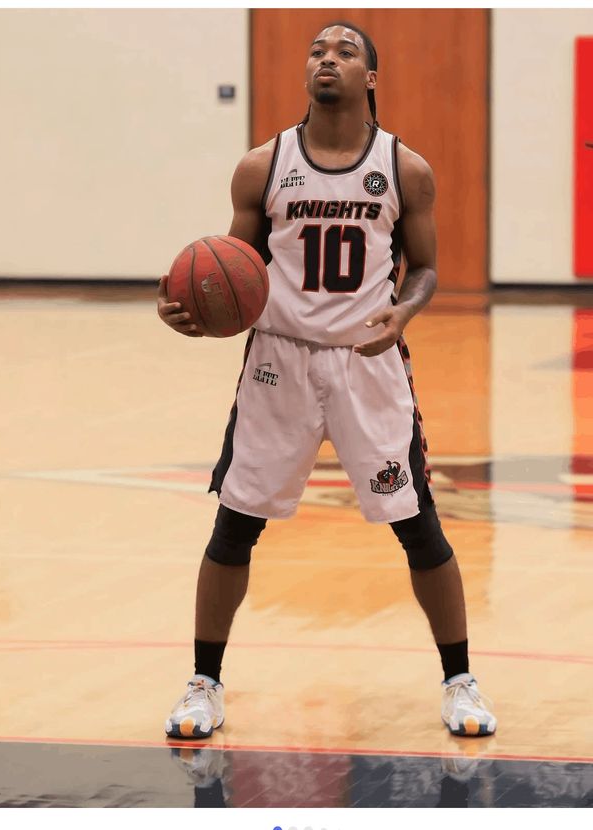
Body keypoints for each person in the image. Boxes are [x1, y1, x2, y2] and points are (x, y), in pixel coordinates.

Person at [157, 22, 496, 740]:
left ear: (370, 77)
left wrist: (404, 311)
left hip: (366, 361)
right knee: (235, 524)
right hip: (278, 360)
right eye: (317, 51)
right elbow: (234, 272)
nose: (327, 60)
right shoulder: (263, 165)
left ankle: (460, 681)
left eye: (344, 52)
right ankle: (203, 683)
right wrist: (193, 309)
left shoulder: (405, 168)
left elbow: (426, 268)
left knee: (418, 524)